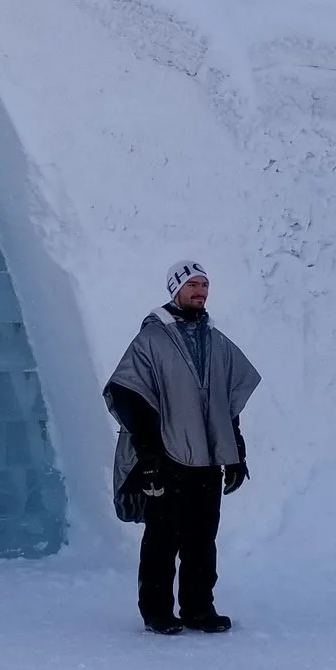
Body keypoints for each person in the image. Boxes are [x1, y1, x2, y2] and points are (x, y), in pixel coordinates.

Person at [104, 260, 262, 633]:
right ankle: (157, 611)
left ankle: (198, 608)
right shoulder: (152, 340)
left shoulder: (217, 342)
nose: (200, 291)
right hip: (166, 456)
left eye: (204, 285)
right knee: (162, 536)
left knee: (203, 537)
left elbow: (226, 402)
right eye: (192, 284)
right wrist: (149, 453)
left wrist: (235, 449)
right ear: (175, 289)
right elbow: (129, 394)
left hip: (207, 458)